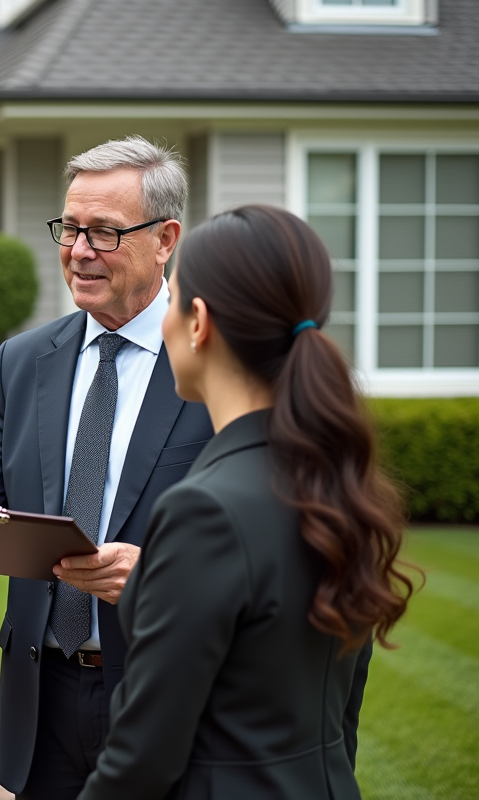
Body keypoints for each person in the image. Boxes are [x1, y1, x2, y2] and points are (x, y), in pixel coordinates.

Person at [0, 136, 214, 798]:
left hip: (167, 697)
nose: (79, 250)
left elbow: (266, 537)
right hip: (41, 704)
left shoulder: (214, 361)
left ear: (165, 240)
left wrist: (162, 572)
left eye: (105, 232)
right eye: (70, 228)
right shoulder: (22, 361)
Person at [77, 204, 416, 800]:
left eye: (172, 299)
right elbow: (340, 721)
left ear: (199, 323)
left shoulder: (204, 511)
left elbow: (141, 761)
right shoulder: (332, 482)